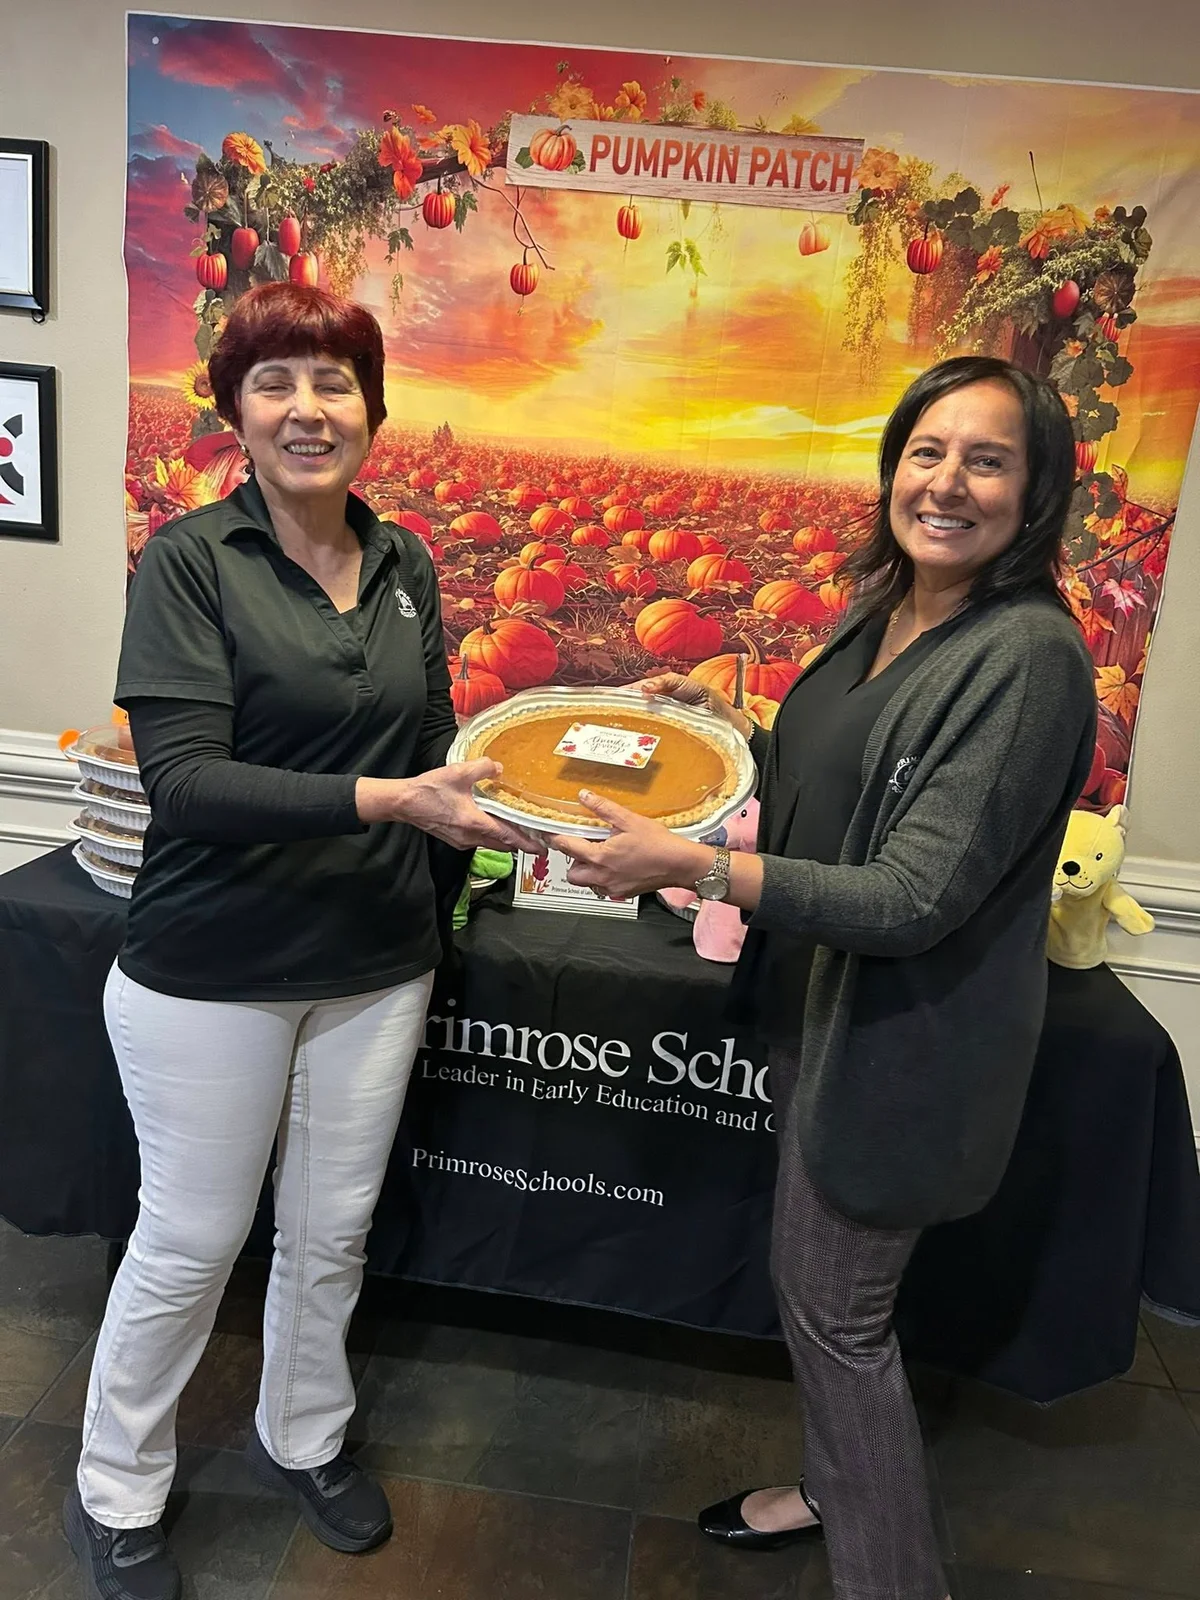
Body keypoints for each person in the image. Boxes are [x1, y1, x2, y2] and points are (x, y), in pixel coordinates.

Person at [549, 356, 1097, 1600]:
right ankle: (826, 1483)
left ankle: (890, 1573)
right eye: (926, 450)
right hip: (822, 1013)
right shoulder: (888, 604)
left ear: (1037, 490)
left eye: (987, 459)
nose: (946, 482)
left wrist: (690, 863)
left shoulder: (1028, 658)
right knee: (816, 1299)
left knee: (841, 1325)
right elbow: (829, 782)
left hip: (901, 1047)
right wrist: (726, 723)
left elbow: (912, 895)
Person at [65, 282, 544, 1600]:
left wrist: (551, 773)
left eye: (334, 381)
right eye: (275, 382)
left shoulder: (406, 565)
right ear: (233, 409)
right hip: (211, 971)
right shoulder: (188, 562)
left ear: (374, 412)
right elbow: (190, 782)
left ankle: (305, 1434)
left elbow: (442, 738)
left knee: (332, 1229)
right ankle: (116, 1485)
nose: (307, 408)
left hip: (377, 959)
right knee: (194, 1238)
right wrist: (395, 800)